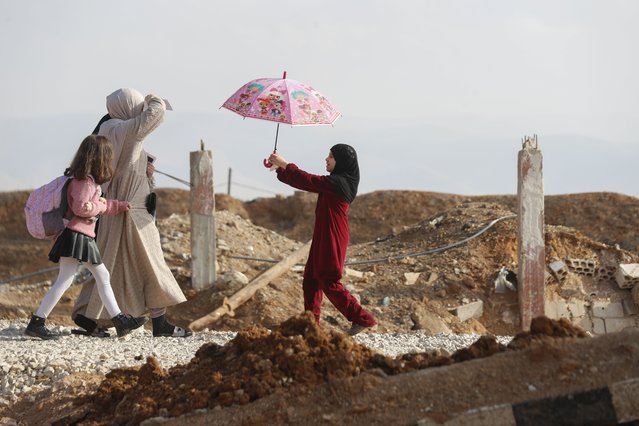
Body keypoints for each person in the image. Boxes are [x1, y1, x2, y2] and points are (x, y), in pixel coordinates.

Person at [72, 88, 191, 338]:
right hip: (132, 212)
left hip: (114, 210)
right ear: (128, 107)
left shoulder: (107, 128)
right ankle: (160, 324)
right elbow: (156, 115)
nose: (139, 112)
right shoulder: (124, 129)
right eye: (136, 107)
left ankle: (91, 316)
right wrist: (152, 99)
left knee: (112, 265)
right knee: (150, 263)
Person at [25, 135, 147, 340]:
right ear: (100, 158)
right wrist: (99, 205)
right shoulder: (85, 182)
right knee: (95, 277)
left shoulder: (83, 180)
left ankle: (38, 322)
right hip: (78, 236)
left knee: (73, 279)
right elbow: (82, 207)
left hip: (76, 235)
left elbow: (95, 205)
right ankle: (120, 321)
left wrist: (117, 205)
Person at [268, 144, 377, 335]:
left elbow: (308, 180)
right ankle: (311, 325)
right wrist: (280, 169)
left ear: (341, 161)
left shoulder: (340, 183)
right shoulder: (335, 181)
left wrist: (285, 164)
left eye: (331, 156)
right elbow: (305, 183)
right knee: (311, 279)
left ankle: (363, 318)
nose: (326, 159)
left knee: (329, 280)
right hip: (323, 235)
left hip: (333, 235)